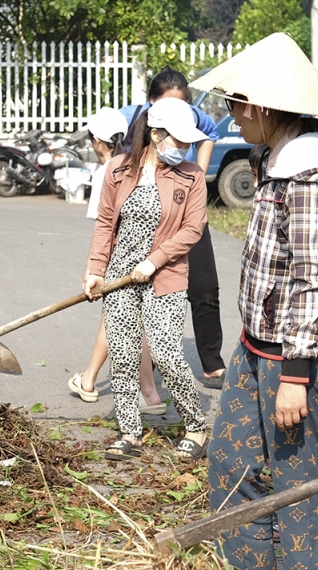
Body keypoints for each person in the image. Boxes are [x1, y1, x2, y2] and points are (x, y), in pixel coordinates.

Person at [190, 32, 318, 570]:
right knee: (233, 458)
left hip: (293, 356)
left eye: (235, 106)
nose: (232, 116)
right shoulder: (275, 161)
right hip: (256, 346)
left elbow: (313, 279)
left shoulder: (307, 179)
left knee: (297, 477)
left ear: (259, 108)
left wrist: (295, 374)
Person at [83, 97, 210, 461]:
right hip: (119, 275)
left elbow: (192, 229)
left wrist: (153, 262)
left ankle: (196, 427)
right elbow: (106, 223)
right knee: (122, 355)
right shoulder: (118, 170)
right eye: (179, 140)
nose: (185, 148)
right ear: (155, 134)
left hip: (166, 275)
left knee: (166, 353)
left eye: (188, 142)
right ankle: (130, 432)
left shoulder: (192, 176)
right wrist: (94, 270)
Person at [122, 69, 227, 388]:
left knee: (204, 287)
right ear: (152, 103)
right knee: (148, 293)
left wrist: (198, 174)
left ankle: (212, 364)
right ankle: (143, 369)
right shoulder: (132, 119)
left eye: (182, 105)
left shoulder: (194, 116)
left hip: (187, 215)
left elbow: (210, 135)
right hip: (149, 219)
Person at [69, 107, 166, 417]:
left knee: (119, 323)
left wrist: (93, 270)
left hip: (120, 260)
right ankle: (100, 381)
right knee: (130, 323)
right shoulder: (137, 167)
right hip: (145, 259)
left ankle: (97, 383)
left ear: (97, 140)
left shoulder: (109, 171)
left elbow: (104, 228)